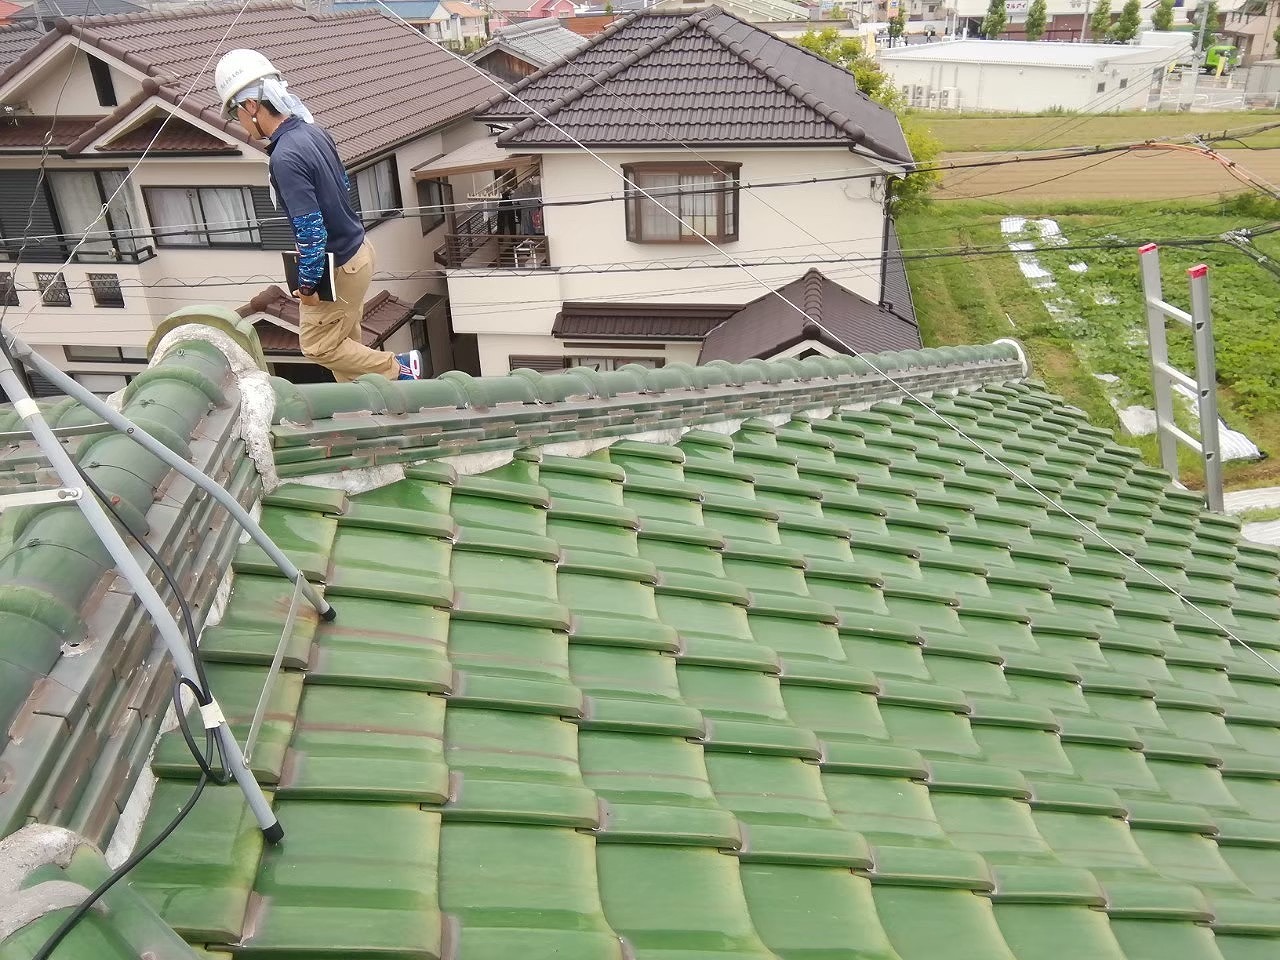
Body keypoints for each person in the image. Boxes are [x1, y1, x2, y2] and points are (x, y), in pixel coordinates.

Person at [214, 50, 422, 382]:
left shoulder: (285, 156)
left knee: (318, 347)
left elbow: (312, 233)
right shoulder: (313, 132)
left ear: (251, 106)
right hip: (359, 251)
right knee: (346, 349)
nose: (238, 121)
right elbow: (342, 185)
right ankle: (365, 410)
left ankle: (399, 367)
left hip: (338, 266)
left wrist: (307, 287)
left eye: (235, 111)